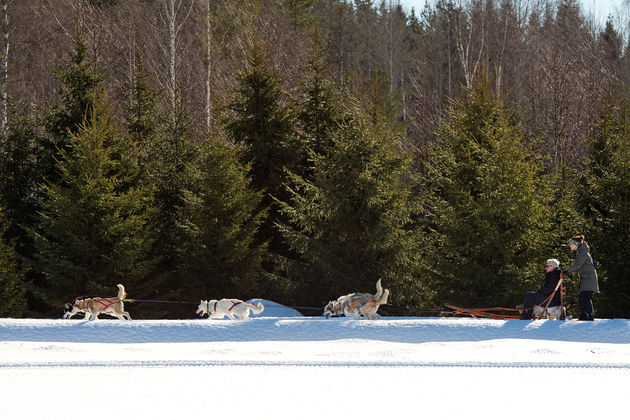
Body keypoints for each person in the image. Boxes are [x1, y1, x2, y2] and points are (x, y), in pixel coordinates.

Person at [563, 235, 599, 321]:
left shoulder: (582, 251)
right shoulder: (579, 251)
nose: (569, 246)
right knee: (581, 296)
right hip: (585, 277)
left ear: (575, 244)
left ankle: (589, 316)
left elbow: (578, 265)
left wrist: (566, 271)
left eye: (571, 244)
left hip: (589, 278)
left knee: (585, 296)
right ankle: (584, 316)